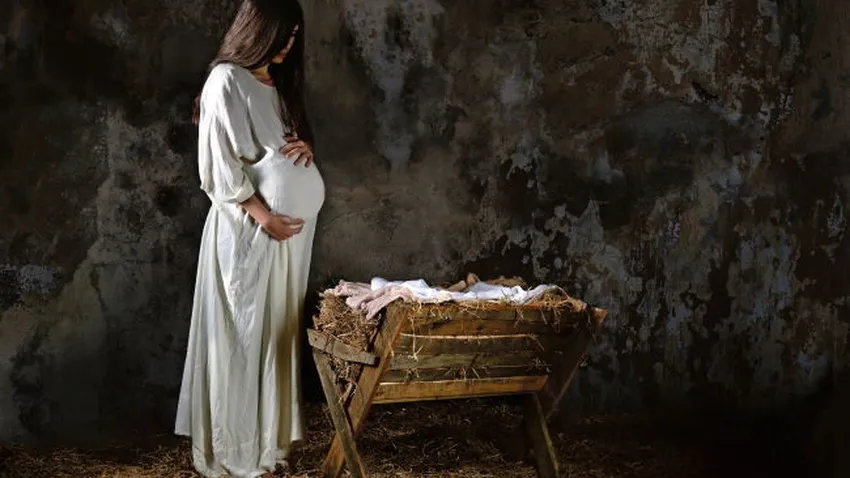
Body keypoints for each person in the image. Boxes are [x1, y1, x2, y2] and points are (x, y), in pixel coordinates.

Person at [174, 0, 324, 476]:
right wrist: (265, 217)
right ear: (256, 29)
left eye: (294, 35)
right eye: (281, 33)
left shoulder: (276, 85)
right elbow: (219, 166)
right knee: (242, 335)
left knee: (274, 336)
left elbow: (276, 150)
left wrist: (306, 149)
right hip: (248, 235)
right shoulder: (226, 80)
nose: (288, 44)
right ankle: (235, 453)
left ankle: (267, 448)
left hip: (287, 242)